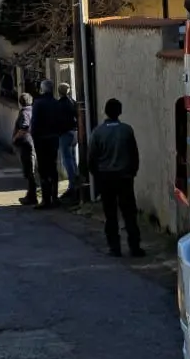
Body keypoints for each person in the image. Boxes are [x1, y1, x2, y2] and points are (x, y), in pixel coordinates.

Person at [87, 98, 144, 259]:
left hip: (106, 178)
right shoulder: (126, 130)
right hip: (125, 177)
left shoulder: (98, 132)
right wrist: (132, 171)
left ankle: (114, 248)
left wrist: (97, 176)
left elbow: (91, 158)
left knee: (110, 214)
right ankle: (135, 247)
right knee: (129, 213)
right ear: (119, 112)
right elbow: (134, 154)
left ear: (106, 111)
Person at [29, 80, 62, 209]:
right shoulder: (56, 103)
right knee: (53, 167)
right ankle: (55, 197)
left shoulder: (38, 103)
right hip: (54, 138)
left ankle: (46, 199)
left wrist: (34, 136)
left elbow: (35, 122)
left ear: (42, 90)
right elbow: (60, 121)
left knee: (43, 169)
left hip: (41, 139)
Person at [12, 92, 38, 207]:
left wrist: (15, 138)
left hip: (26, 143)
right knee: (29, 168)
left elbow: (24, 126)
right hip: (32, 141)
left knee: (29, 169)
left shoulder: (24, 112)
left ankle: (32, 196)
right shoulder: (33, 110)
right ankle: (31, 194)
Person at [56, 83, 80, 203]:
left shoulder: (60, 104)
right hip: (74, 132)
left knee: (67, 159)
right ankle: (75, 180)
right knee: (73, 158)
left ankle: (72, 184)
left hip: (65, 133)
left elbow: (57, 120)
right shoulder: (73, 102)